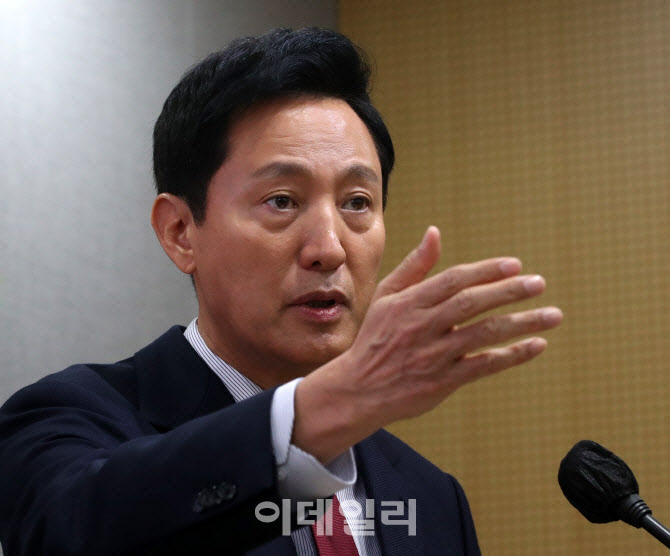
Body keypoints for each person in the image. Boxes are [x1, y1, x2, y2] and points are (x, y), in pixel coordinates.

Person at [0, 28, 562, 555]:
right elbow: (73, 532)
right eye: (282, 201)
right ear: (180, 232)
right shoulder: (68, 420)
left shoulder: (429, 496)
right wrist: (332, 407)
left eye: (357, 203)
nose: (329, 249)